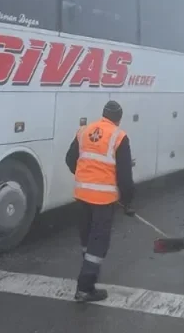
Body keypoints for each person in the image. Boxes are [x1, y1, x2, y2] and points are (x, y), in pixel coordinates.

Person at [65, 100, 135, 302]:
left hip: (82, 195)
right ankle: (85, 288)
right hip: (103, 200)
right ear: (119, 118)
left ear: (103, 114)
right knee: (98, 244)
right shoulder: (119, 136)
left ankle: (89, 275)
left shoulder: (84, 131)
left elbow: (70, 159)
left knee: (87, 240)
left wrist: (85, 176)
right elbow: (124, 175)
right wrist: (127, 201)